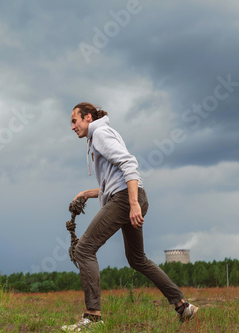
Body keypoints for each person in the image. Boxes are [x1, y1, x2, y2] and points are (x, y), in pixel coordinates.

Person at [61, 102, 198, 332]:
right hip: (128, 196)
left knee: (84, 249)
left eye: (74, 121)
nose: (72, 127)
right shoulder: (99, 136)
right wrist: (87, 194)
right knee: (137, 259)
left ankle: (93, 318)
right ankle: (183, 306)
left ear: (87, 117)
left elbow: (128, 163)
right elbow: (113, 182)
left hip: (126, 199)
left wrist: (133, 204)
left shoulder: (101, 133)